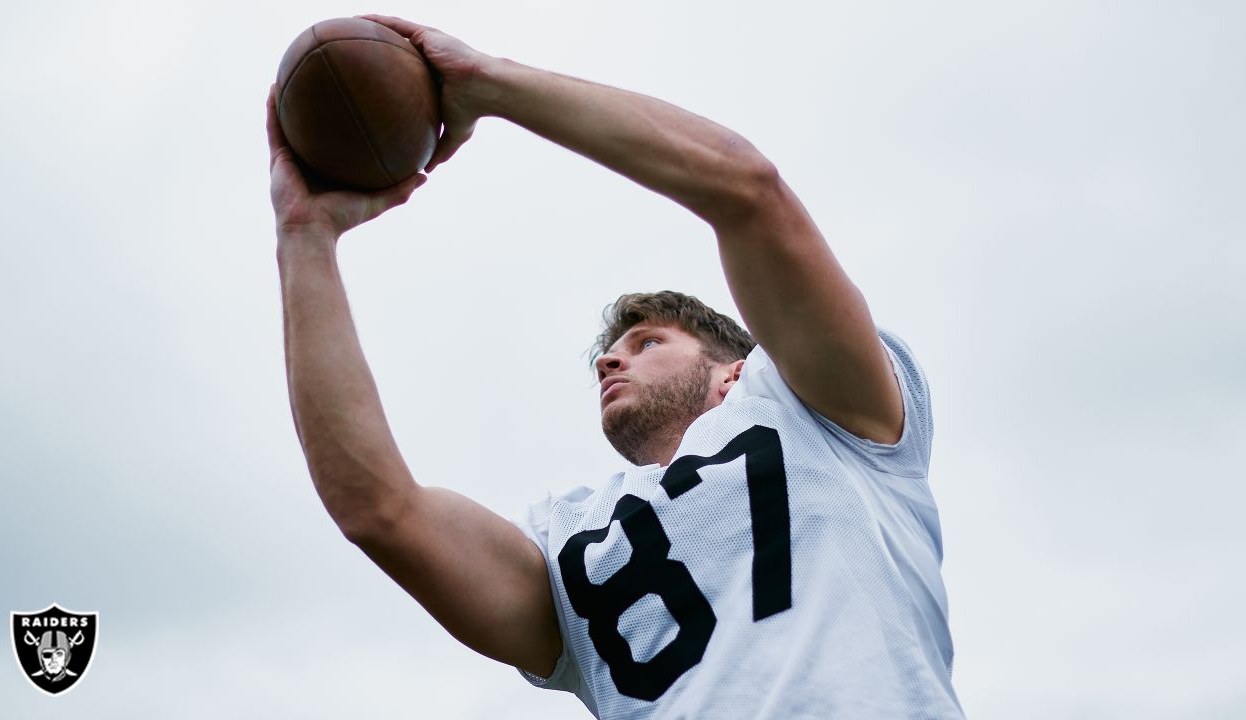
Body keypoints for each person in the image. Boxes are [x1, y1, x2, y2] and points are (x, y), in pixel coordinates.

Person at [267, 14, 964, 719]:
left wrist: (486, 82)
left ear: (734, 370)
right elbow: (380, 511)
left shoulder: (820, 413)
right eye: (612, 349)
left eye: (647, 342)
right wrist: (305, 234)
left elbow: (747, 191)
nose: (609, 357)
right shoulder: (572, 538)